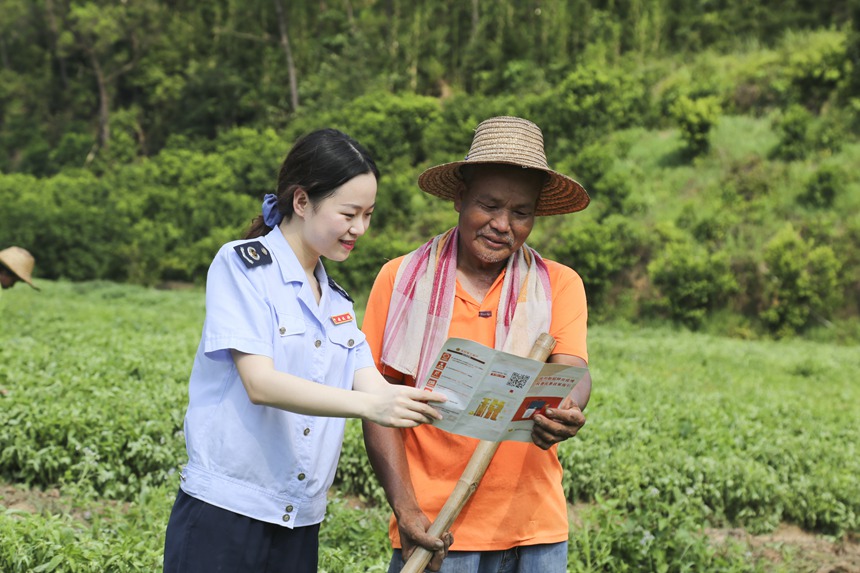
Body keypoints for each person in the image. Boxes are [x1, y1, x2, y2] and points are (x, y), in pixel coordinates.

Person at [163, 128, 447, 573]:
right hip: (226, 512)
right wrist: (373, 404)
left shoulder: (335, 301)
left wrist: (433, 401)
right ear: (301, 201)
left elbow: (369, 378)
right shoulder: (242, 266)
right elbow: (261, 383)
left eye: (369, 214)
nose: (360, 229)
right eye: (349, 213)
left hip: (299, 520)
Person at [362, 116, 593, 573]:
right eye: (489, 205)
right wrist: (407, 512)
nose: (502, 225)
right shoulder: (401, 280)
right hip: (435, 529)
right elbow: (377, 402)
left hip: (534, 528)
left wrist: (567, 407)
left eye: (521, 212)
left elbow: (574, 371)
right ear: (459, 197)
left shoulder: (558, 285)